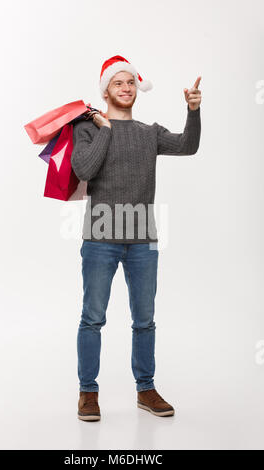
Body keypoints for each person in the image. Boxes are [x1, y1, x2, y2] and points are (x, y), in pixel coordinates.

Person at [71, 55, 202, 421]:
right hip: (100, 238)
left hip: (143, 240)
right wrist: (107, 129)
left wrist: (192, 110)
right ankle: (88, 393)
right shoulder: (88, 129)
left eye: (130, 82)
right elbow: (83, 168)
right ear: (106, 90)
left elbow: (187, 145)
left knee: (144, 319)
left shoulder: (149, 133)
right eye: (118, 83)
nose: (126, 88)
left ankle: (146, 389)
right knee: (93, 317)